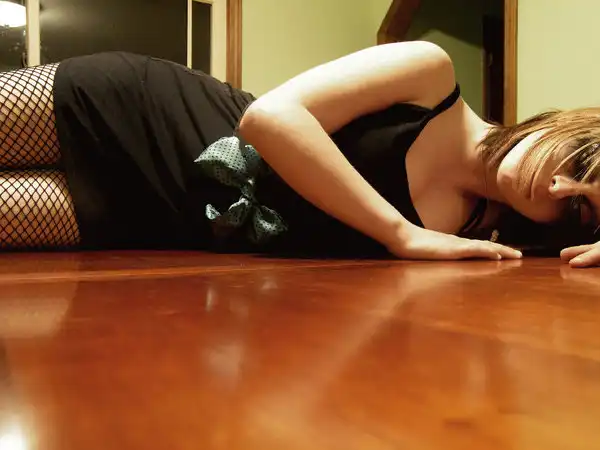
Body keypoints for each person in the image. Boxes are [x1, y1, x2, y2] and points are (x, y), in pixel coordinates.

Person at [1, 41, 599, 267]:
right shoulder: (431, 74)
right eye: (579, 164)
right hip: (142, 111)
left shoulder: (490, 239)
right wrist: (400, 233)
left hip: (154, 217)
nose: (557, 189)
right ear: (568, 124)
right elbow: (268, 119)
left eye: (579, 208)